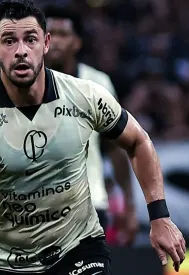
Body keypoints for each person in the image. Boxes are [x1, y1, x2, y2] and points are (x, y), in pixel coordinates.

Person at [0, 0, 186, 274]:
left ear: (45, 44)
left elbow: (138, 141)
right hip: (8, 262)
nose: (21, 51)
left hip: (79, 246)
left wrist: (159, 216)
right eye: (9, 41)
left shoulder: (85, 95)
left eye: (30, 39)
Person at [44, 5, 138, 245]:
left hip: (90, 204)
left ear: (77, 42)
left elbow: (116, 149)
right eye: (49, 33)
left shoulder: (97, 83)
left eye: (63, 34)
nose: (54, 41)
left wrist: (128, 204)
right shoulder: (21, 83)